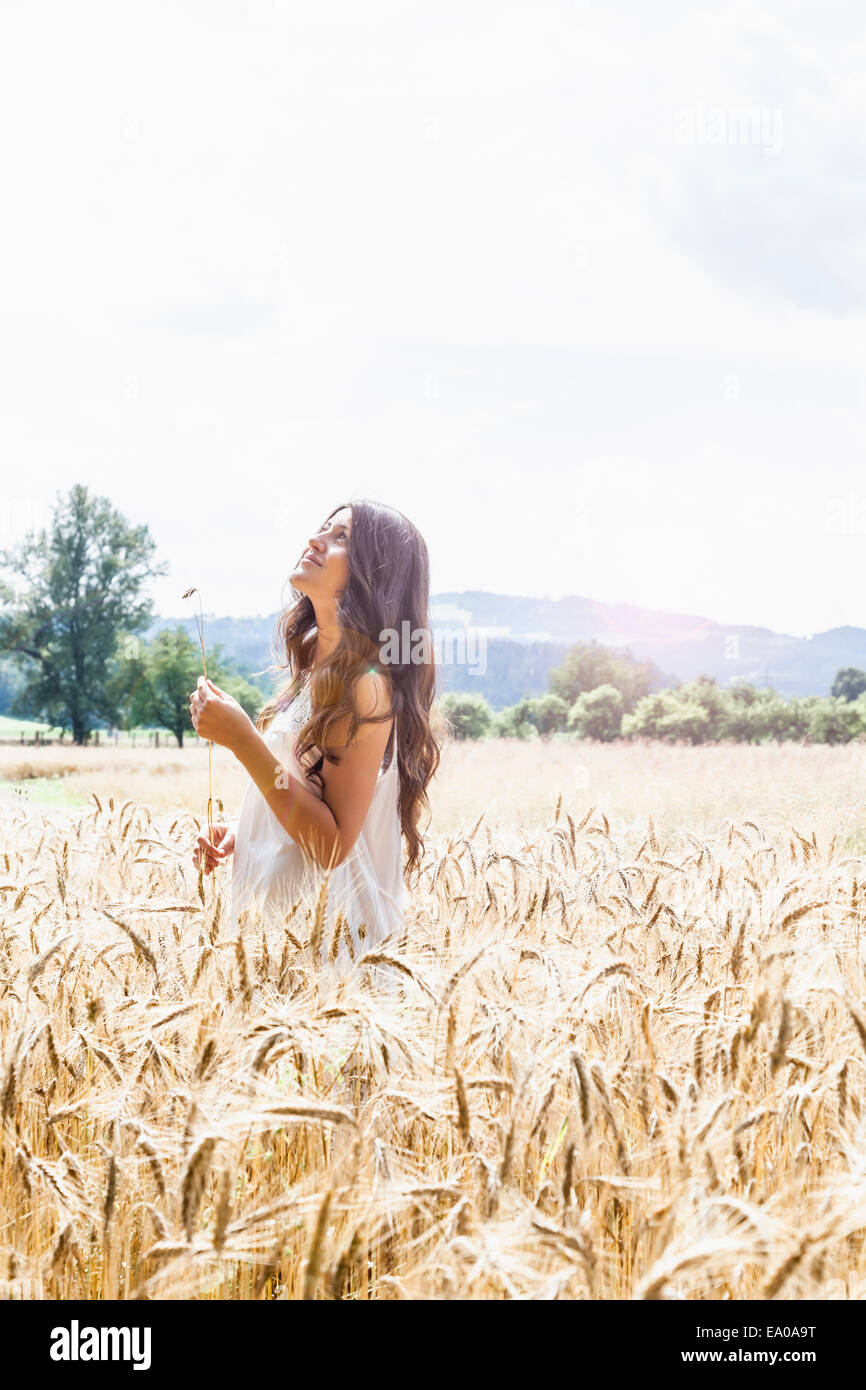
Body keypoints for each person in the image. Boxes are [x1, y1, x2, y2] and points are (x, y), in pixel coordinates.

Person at [189, 499, 442, 971]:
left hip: (334, 960)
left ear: (376, 572)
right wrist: (248, 833)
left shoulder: (362, 683)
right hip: (286, 947)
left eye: (341, 537)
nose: (316, 540)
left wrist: (244, 741)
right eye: (323, 529)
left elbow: (332, 844)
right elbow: (306, 794)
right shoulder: (319, 665)